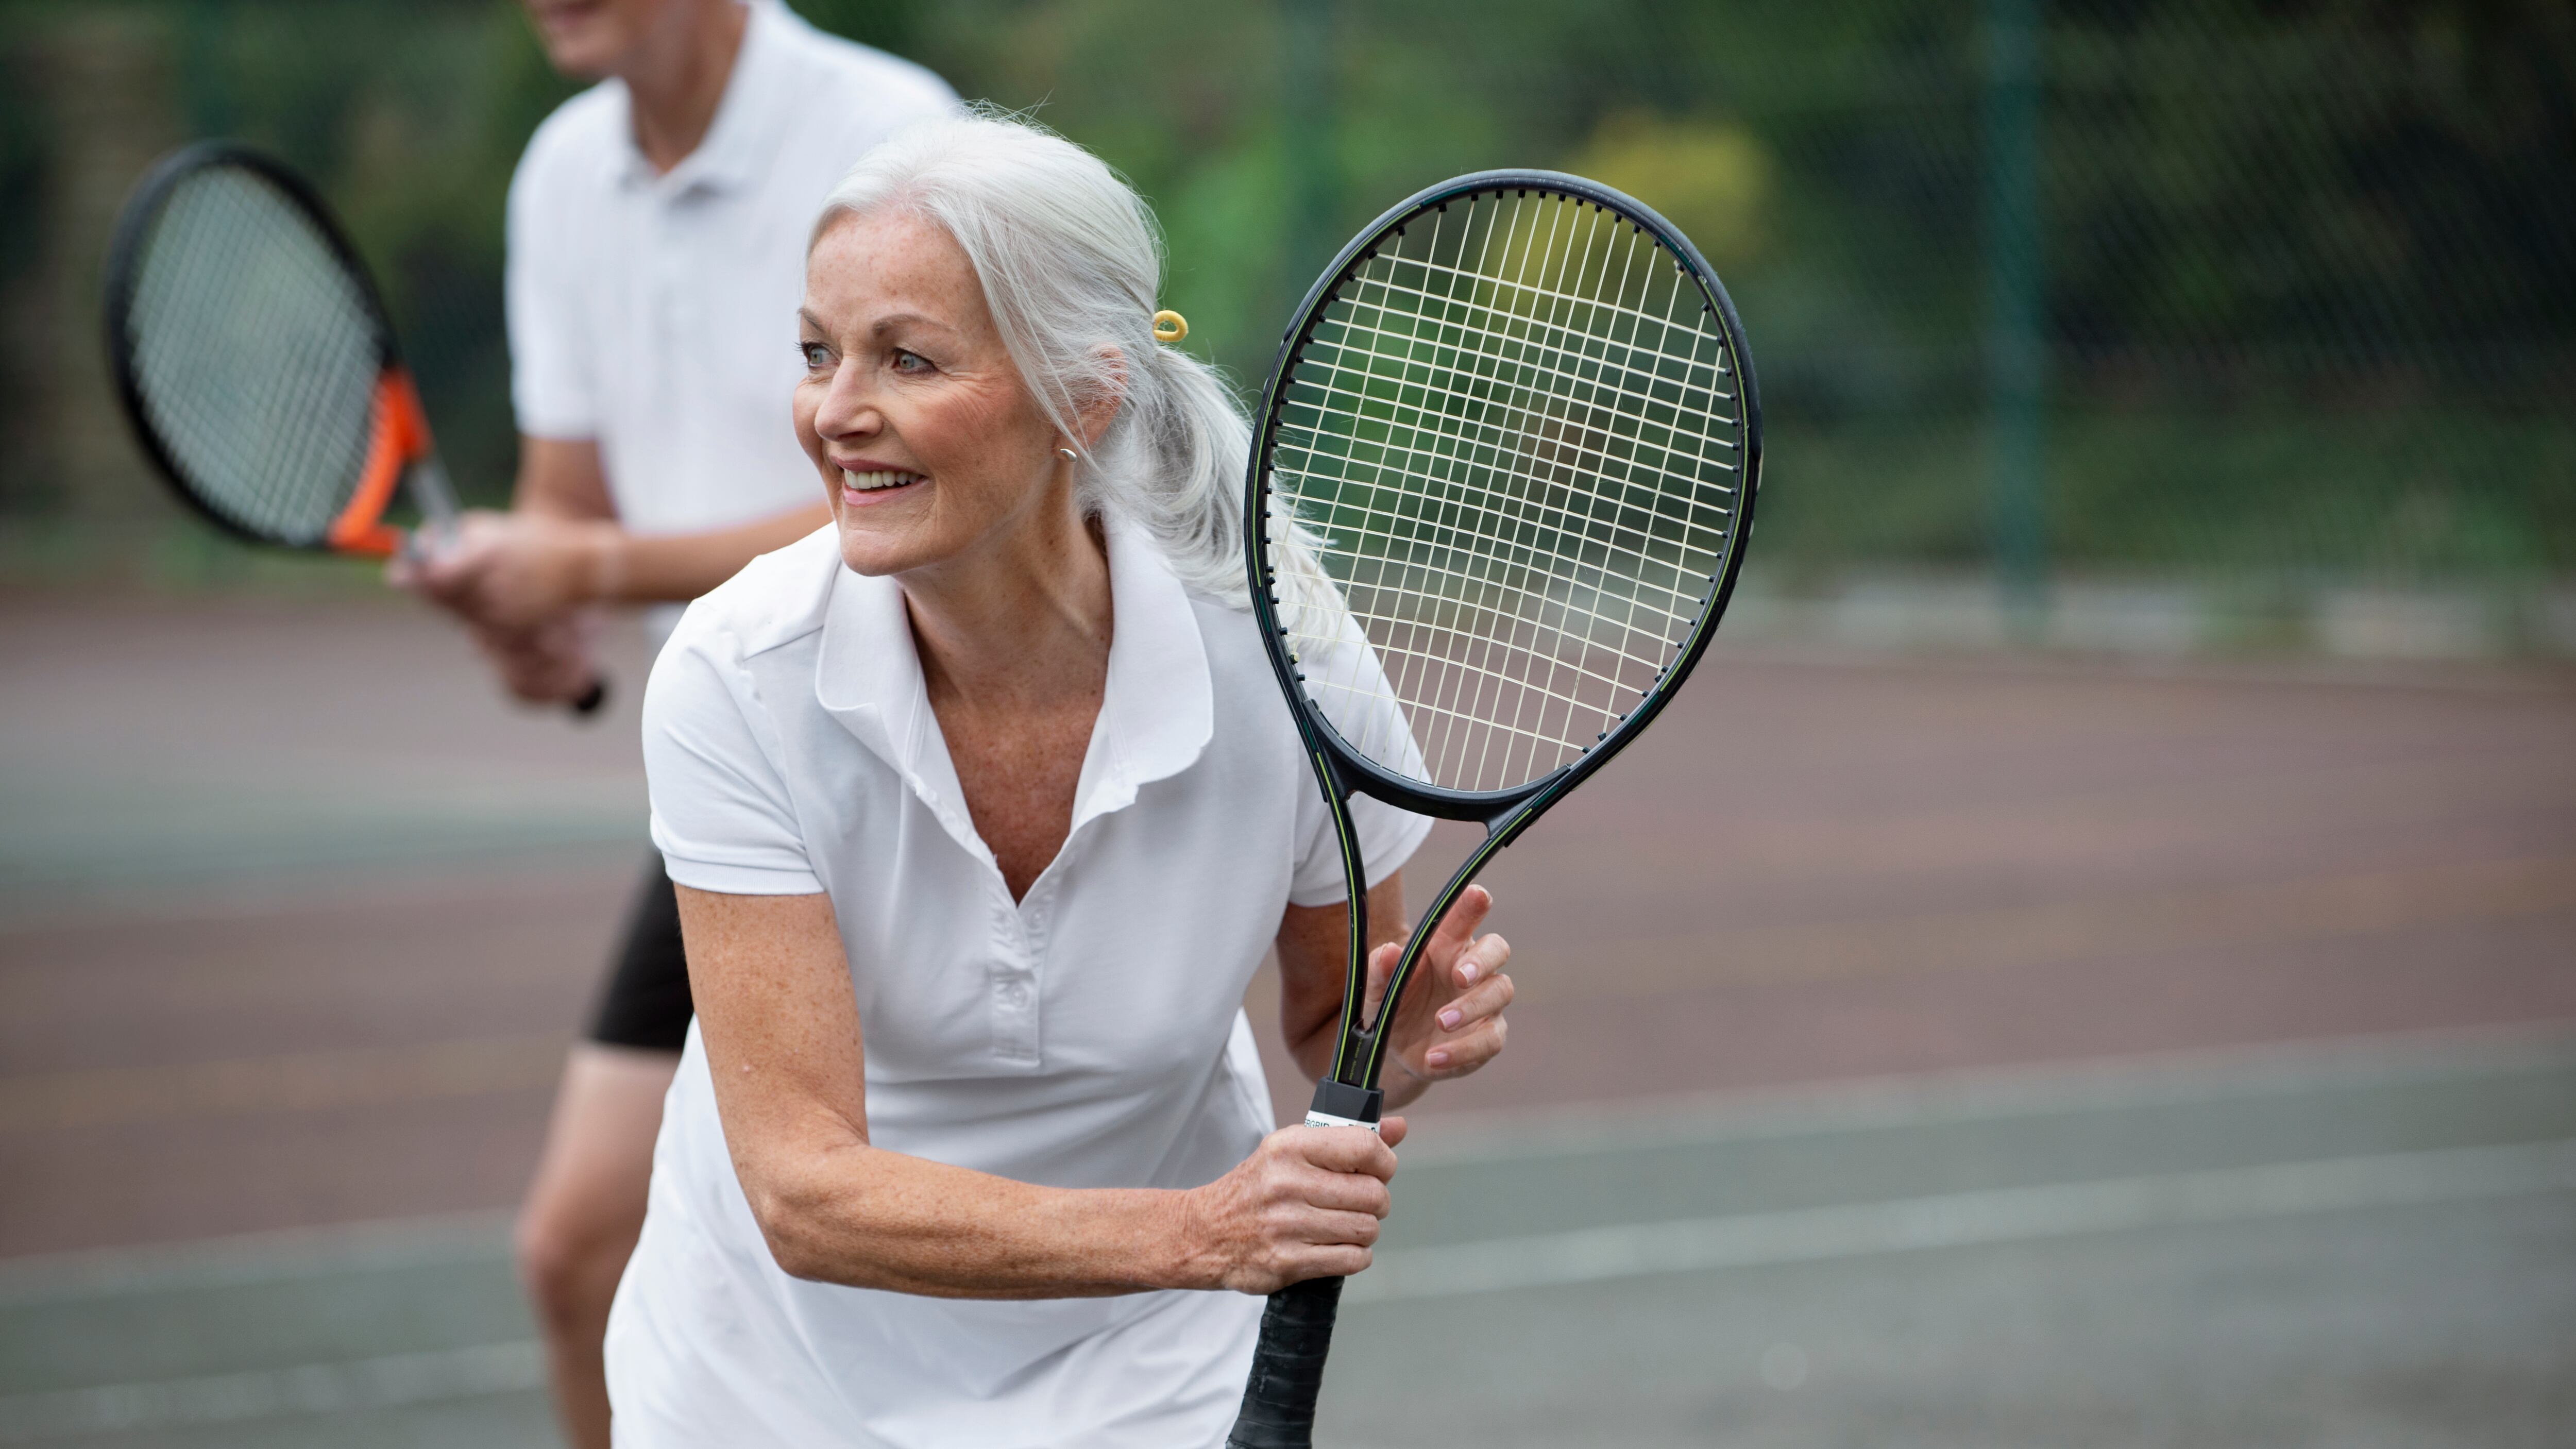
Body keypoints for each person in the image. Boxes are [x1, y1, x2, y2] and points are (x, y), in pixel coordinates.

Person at [606, 109, 1518, 1445]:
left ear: (1085, 396)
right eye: (819, 352)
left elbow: (1336, 1024)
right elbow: (802, 1190)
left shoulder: (1287, 649)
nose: (834, 411)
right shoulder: (736, 673)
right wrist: (1200, 1229)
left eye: (907, 359)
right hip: (770, 1381)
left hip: (1144, 1373)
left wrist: (1409, 1032)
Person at [393, 3, 956, 1444]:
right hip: (756, 770)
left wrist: (584, 570)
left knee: (914, 1282)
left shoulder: (886, 127)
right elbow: (570, 505)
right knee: (580, 1250)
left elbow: (916, 489)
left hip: (940, 750)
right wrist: (540, 613)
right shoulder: (561, 171)